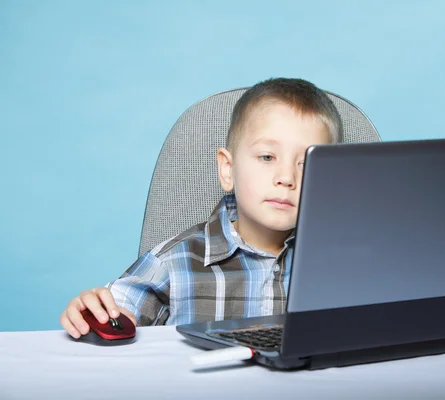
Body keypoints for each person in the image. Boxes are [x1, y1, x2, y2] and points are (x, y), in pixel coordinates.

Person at [60, 77, 343, 338]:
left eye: (306, 162)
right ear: (228, 170)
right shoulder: (173, 263)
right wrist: (94, 310)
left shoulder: (341, 261)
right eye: (267, 157)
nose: (286, 178)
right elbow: (113, 314)